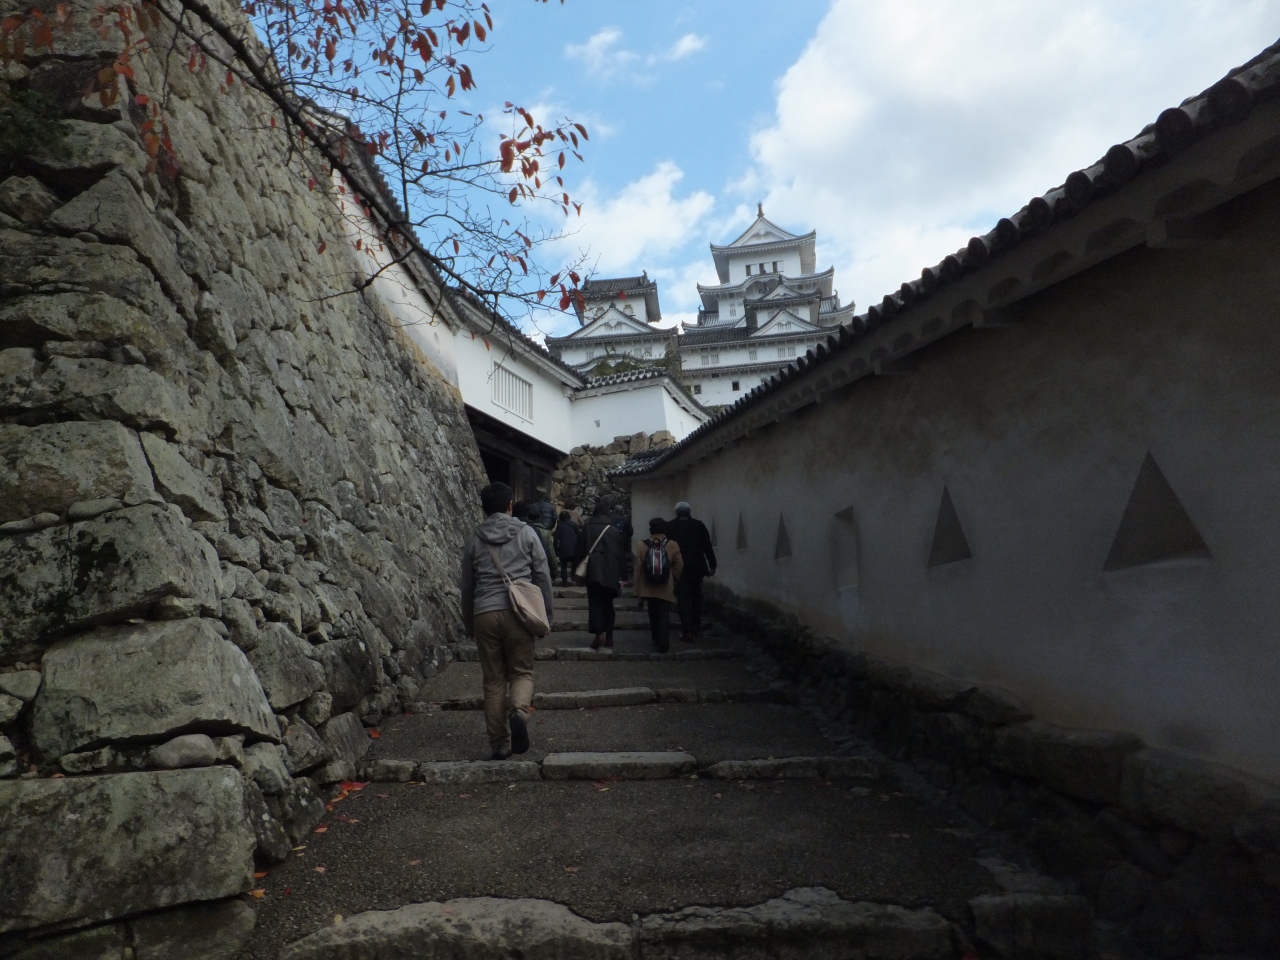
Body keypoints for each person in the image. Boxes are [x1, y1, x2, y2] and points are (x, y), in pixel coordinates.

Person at [459, 482, 554, 760]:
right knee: (521, 672)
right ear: (510, 505)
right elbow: (542, 574)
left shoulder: (474, 539)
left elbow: (467, 586)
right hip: (519, 612)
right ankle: (519, 713)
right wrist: (546, 615)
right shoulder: (527, 533)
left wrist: (469, 624)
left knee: (493, 681)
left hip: (484, 613)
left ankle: (500, 744)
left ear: (484, 508)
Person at [573, 499, 625, 650]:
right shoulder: (614, 530)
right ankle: (609, 636)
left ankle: (598, 635)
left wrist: (575, 569)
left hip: (593, 571)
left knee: (595, 603)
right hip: (612, 572)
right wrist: (624, 575)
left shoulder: (587, 528)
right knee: (608, 604)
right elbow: (621, 554)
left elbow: (579, 550)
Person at [665, 501, 717, 643]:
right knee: (696, 596)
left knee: (683, 598)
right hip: (697, 566)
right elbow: (707, 546)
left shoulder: (670, 526)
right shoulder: (698, 525)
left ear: (677, 513)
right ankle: (695, 625)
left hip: (679, 567)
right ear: (689, 512)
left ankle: (687, 630)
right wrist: (712, 565)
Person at [634, 517, 683, 654]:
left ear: (651, 529)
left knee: (653, 612)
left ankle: (655, 637)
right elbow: (680, 565)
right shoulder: (672, 544)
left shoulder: (642, 544)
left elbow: (638, 568)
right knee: (663, 614)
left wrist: (637, 590)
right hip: (665, 585)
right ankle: (664, 643)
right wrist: (673, 578)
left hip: (648, 585)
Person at [525, 504, 559, 582]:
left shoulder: (522, 531)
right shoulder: (545, 533)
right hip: (540, 571)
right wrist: (554, 570)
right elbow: (551, 554)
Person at [553, 509, 579, 587]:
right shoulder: (574, 525)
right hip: (574, 548)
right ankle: (573, 576)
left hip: (563, 548)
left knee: (563, 566)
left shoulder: (560, 526)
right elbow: (579, 535)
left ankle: (565, 582)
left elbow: (556, 539)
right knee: (574, 563)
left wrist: (556, 550)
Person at [611, 503, 634, 583]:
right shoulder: (626, 519)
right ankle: (624, 577)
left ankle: (613, 576)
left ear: (614, 511)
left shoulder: (610, 519)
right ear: (622, 511)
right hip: (623, 543)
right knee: (622, 561)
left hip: (612, 542)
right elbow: (630, 531)